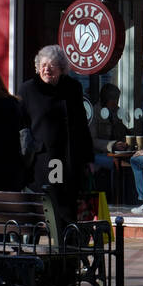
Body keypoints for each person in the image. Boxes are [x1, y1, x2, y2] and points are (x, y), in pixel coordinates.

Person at [19, 45, 93, 235]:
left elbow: (82, 125)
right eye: (43, 65)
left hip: (71, 157)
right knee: (57, 205)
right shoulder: (29, 90)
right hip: (48, 159)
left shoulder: (72, 87)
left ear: (61, 68)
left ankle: (68, 254)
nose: (47, 69)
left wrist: (88, 158)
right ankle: (62, 252)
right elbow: (22, 126)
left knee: (69, 205)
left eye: (52, 65)